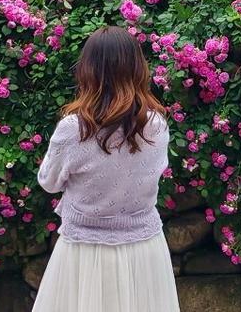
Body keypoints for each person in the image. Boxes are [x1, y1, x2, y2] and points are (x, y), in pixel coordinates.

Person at [34, 26, 180, 312]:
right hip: (144, 249)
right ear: (138, 68)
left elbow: (48, 182)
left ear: (88, 70)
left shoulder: (74, 129)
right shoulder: (157, 126)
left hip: (85, 250)